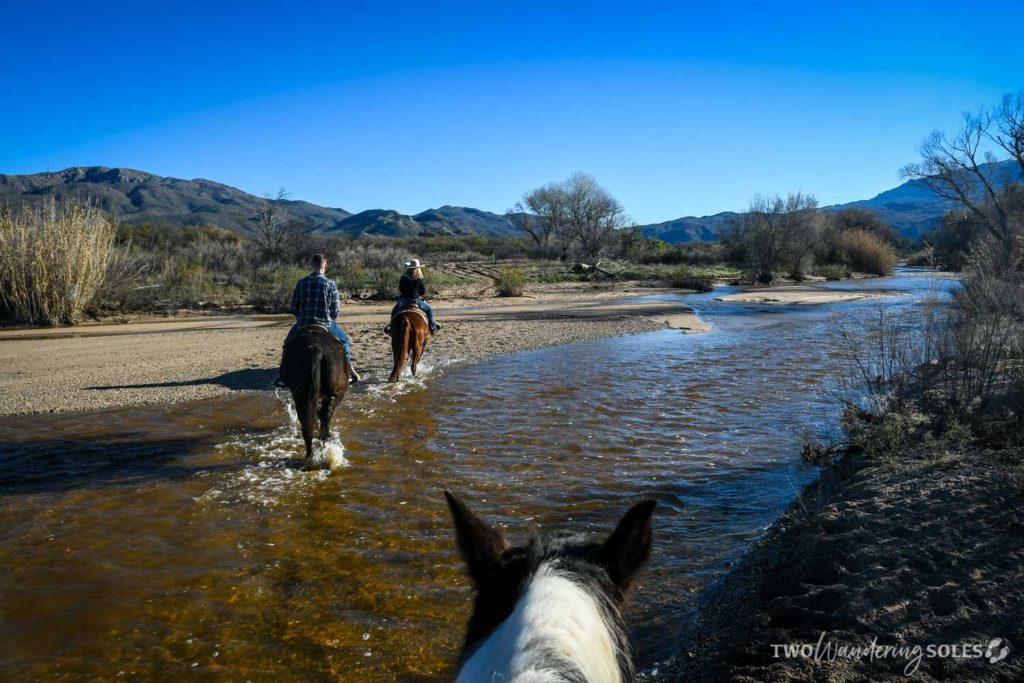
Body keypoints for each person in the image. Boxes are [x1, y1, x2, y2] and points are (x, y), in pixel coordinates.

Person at [274, 253, 361, 387]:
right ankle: (349, 372)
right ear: (325, 265)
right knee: (344, 341)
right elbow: (335, 311)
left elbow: (293, 307)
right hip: (325, 323)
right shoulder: (331, 284)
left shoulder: (301, 282)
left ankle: (283, 376)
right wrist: (329, 318)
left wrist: (302, 317)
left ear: (312, 265)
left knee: (288, 343)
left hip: (303, 323)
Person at [385, 259, 441, 335]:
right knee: (429, 310)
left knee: (394, 311)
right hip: (416, 301)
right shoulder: (419, 278)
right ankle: (432, 327)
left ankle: (392, 328)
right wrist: (420, 296)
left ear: (409, 268)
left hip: (404, 301)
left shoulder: (404, 277)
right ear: (418, 268)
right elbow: (422, 292)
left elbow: (401, 289)